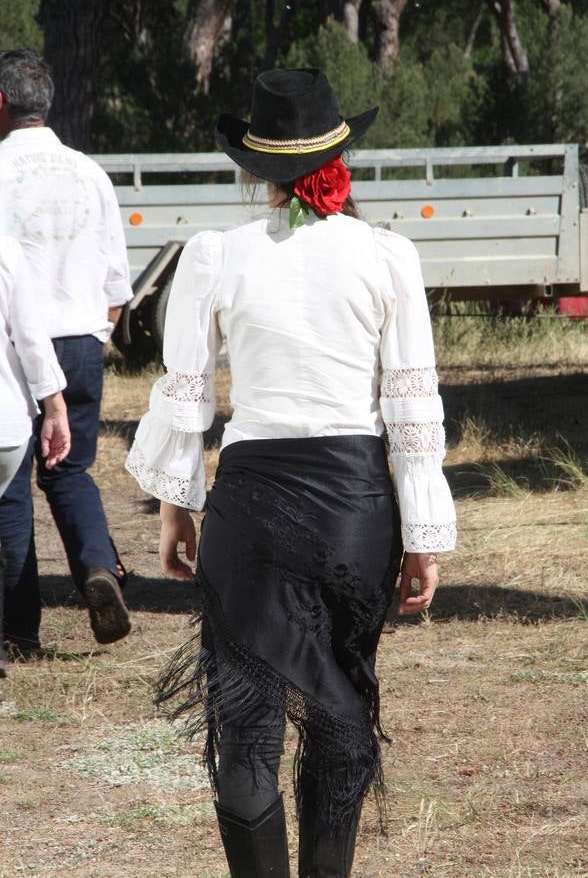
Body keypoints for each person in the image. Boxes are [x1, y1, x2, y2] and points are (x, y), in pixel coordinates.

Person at [127, 68, 457, 877]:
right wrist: (423, 536)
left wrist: (176, 511)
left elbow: (186, 395)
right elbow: (412, 407)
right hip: (355, 508)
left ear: (255, 172)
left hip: (250, 509)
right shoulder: (387, 256)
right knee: (341, 709)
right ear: (339, 155)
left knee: (243, 720)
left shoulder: (214, 255)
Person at [0, 49, 133, 654]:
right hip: (79, 336)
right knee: (70, 470)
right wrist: (94, 337)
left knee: (8, 488)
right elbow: (116, 284)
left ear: (1, 104)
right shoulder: (90, 173)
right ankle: (99, 567)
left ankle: (18, 628)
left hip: (12, 345)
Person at [0, 235, 70, 675]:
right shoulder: (4, 246)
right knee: (10, 519)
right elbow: (29, 334)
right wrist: (55, 406)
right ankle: (17, 634)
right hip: (4, 419)